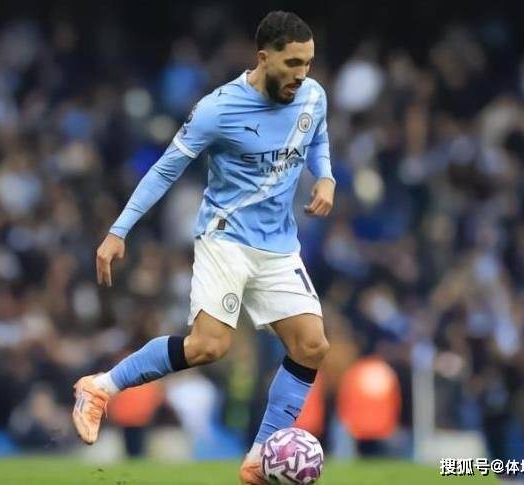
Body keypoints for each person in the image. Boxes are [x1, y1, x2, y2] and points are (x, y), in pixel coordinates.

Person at [71, 10, 335, 484]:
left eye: (308, 63)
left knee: (312, 346)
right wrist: (118, 230)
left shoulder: (312, 95)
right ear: (264, 58)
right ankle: (100, 387)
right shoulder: (219, 109)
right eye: (293, 63)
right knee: (209, 347)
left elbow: (317, 136)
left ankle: (258, 459)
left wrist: (327, 176)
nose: (302, 74)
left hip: (279, 246)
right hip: (226, 237)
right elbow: (165, 169)